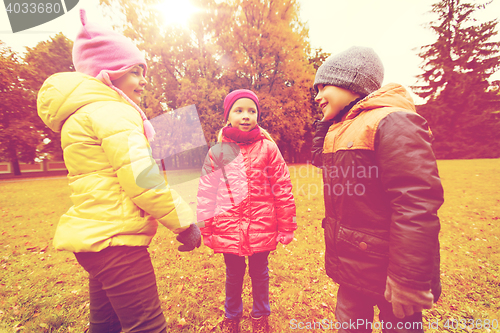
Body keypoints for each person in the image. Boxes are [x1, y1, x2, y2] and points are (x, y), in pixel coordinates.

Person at [37, 9, 200, 333]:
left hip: (95, 240)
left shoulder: (82, 114)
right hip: (117, 243)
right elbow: (142, 180)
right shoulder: (114, 112)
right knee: (148, 327)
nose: (143, 80)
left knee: (105, 326)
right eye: (136, 71)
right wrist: (184, 223)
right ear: (109, 71)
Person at [311, 46, 444, 332]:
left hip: (392, 273)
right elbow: (317, 159)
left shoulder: (392, 121)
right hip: (353, 264)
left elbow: (415, 202)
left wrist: (407, 277)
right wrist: (327, 124)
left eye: (324, 87)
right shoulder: (343, 127)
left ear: (352, 82)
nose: (317, 96)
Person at [197, 89, 297, 333]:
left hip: (261, 226)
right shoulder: (217, 152)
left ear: (257, 116)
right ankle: (232, 315)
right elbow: (206, 194)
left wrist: (287, 226)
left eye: (251, 111)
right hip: (228, 227)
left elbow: (282, 188)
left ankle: (261, 315)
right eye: (239, 110)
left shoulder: (268, 149)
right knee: (233, 274)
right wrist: (206, 229)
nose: (246, 116)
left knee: (259, 272)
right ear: (227, 116)